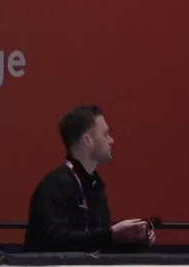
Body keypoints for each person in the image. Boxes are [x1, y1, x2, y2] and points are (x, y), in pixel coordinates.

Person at [24, 105, 154, 251]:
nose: (111, 140)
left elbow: (96, 245)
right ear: (87, 140)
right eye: (105, 134)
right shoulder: (54, 185)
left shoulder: (95, 185)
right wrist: (110, 235)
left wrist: (132, 241)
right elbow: (55, 241)